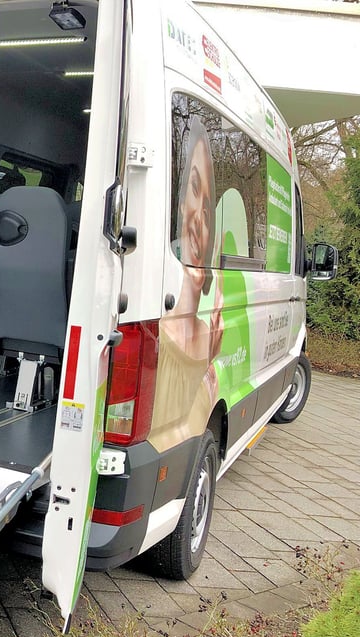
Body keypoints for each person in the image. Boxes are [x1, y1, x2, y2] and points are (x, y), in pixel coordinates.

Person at [151, 115, 225, 452]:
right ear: (179, 205)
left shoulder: (212, 339)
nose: (199, 215)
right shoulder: (153, 326)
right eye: (194, 189)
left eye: (208, 209)